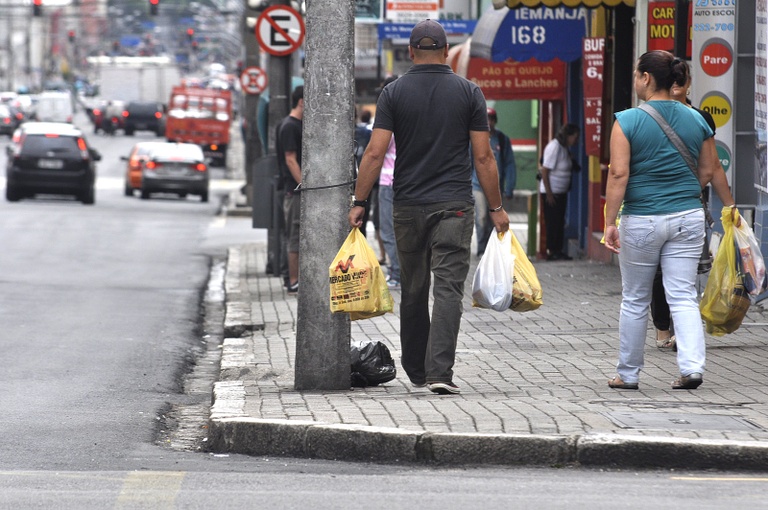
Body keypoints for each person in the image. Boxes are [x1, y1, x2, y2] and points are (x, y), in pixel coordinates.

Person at [348, 19, 509, 395]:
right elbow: (484, 158)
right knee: (449, 289)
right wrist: (498, 208)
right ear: (446, 51)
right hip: (454, 204)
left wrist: (359, 202)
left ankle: (416, 369)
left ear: (410, 52)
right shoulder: (469, 92)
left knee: (415, 287)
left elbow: (374, 152)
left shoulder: (393, 92)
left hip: (407, 205)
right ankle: (440, 373)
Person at [604, 50, 718, 391]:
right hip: (688, 218)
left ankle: (628, 374)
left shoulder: (627, 121)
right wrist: (682, 195)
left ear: (646, 78)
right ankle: (692, 368)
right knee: (682, 294)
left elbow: (619, 173)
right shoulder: (696, 118)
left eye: (637, 74)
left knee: (636, 297)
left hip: (641, 219)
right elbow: (709, 169)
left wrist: (611, 221)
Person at [650, 70, 736, 351]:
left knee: (682, 274)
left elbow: (712, 166)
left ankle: (680, 333)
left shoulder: (700, 119)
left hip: (686, 206)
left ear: (688, 83)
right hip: (653, 207)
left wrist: (729, 204)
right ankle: (663, 327)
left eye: (681, 79)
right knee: (659, 273)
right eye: (671, 79)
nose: (676, 85)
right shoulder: (644, 117)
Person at [471, 107, 517, 256]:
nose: (488, 122)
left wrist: (509, 187)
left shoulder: (502, 140)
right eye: (486, 119)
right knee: (482, 217)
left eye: (491, 119)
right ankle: (481, 249)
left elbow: (509, 163)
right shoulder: (474, 139)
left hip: (496, 186)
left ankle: (494, 251)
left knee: (495, 219)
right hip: (477, 185)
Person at [275, 85, 304, 294]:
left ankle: (296, 278)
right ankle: (293, 280)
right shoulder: (289, 126)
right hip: (294, 191)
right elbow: (290, 160)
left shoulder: (296, 125)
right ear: (302, 101)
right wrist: (305, 185)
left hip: (298, 190)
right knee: (295, 235)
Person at [539, 123, 580, 261]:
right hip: (552, 192)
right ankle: (552, 251)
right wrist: (549, 193)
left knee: (559, 222)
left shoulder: (565, 148)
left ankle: (558, 249)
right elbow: (545, 171)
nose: (576, 140)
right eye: (575, 137)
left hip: (561, 192)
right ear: (568, 136)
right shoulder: (554, 147)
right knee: (553, 222)